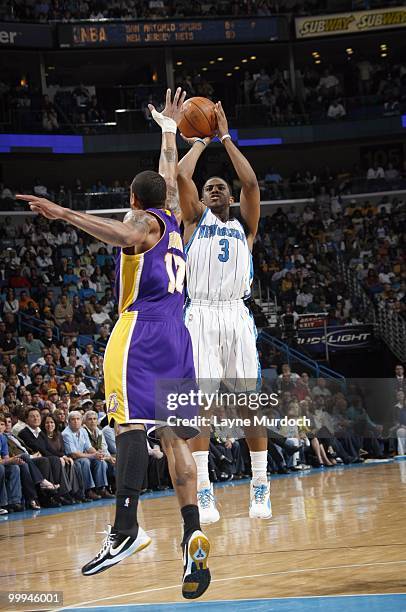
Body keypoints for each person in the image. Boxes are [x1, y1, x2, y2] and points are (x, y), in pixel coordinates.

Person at [16, 88, 211, 600]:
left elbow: (124, 237)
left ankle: (125, 531)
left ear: (131, 200)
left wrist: (63, 213)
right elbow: (168, 174)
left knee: (127, 424)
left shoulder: (142, 223)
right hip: (179, 337)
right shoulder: (172, 218)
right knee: (175, 440)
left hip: (140, 332)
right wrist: (169, 131)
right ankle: (192, 530)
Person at [177, 101, 271, 523]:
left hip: (236, 315)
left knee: (249, 403)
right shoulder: (193, 221)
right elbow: (181, 175)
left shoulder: (244, 228)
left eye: (219, 187)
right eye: (207, 187)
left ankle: (260, 486)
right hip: (200, 315)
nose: (212, 190)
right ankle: (205, 490)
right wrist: (199, 140)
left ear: (229, 196)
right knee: (203, 407)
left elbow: (251, 182)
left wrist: (227, 138)